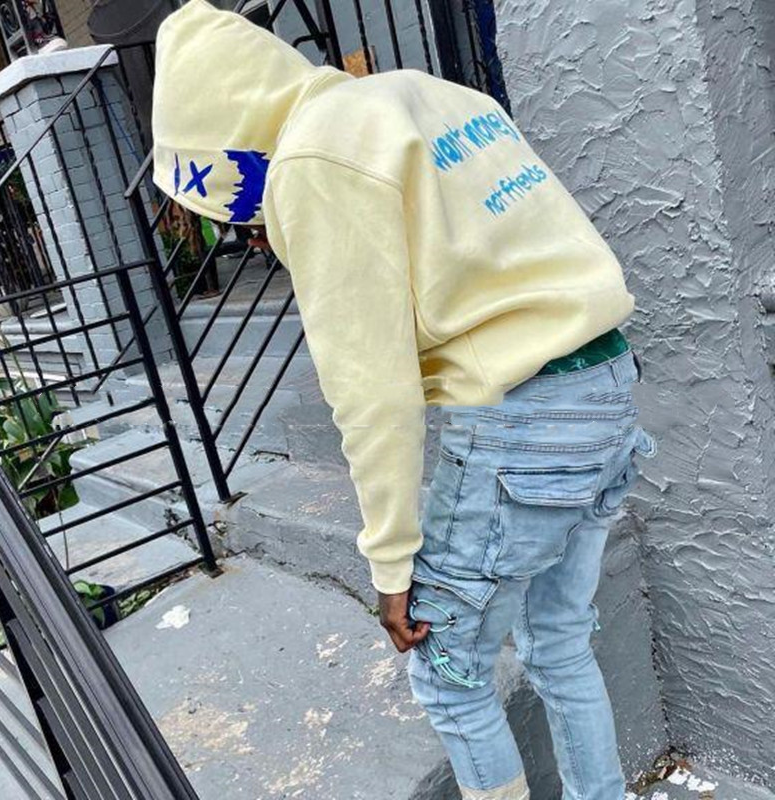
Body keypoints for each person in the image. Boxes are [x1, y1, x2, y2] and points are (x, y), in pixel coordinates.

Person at [151, 2, 658, 798]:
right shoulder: (427, 92)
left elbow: (370, 389)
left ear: (218, 133)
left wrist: (390, 561)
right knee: (558, 645)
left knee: (451, 680)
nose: (240, 219)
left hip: (520, 417)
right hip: (606, 383)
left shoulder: (312, 159)